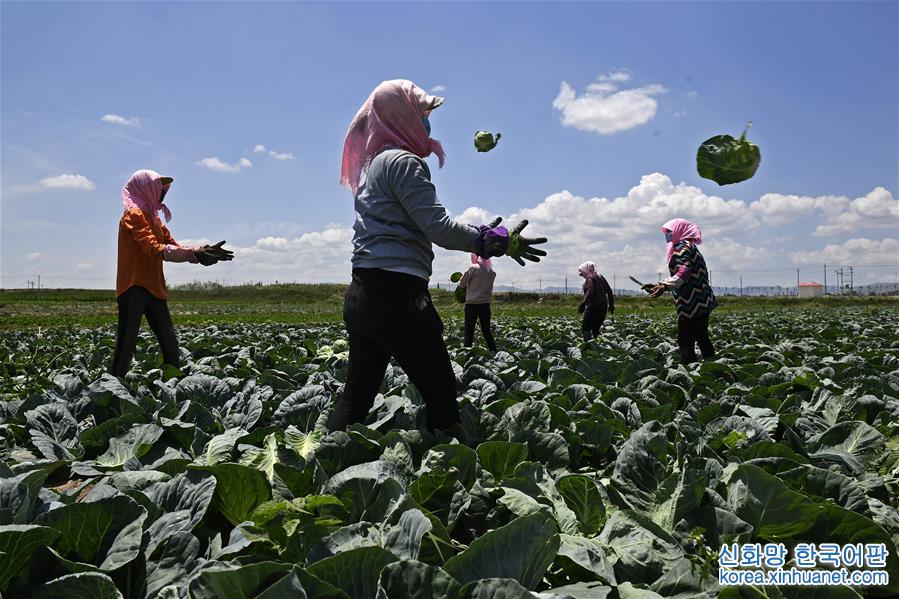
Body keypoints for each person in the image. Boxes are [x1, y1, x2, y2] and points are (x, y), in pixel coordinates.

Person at [328, 79, 547, 434]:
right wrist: (490, 242)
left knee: (356, 397)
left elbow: (416, 222)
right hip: (398, 296)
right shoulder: (403, 162)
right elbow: (439, 228)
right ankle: (454, 478)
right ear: (402, 117)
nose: (428, 121)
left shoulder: (375, 166)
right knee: (441, 394)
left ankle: (325, 466)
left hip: (362, 296)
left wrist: (482, 235)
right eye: (422, 113)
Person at [110, 170, 233, 378]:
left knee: (170, 344)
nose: (162, 193)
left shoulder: (155, 219)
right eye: (159, 188)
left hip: (154, 287)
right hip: (133, 287)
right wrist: (194, 253)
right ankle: (110, 395)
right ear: (144, 188)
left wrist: (202, 253)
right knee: (126, 346)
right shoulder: (133, 215)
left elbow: (174, 246)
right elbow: (153, 248)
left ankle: (173, 390)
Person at [649, 218, 717, 364]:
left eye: (669, 232)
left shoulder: (681, 247)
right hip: (703, 299)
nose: (666, 235)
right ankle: (713, 369)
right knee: (702, 336)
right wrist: (663, 284)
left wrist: (665, 286)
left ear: (679, 231)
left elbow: (684, 271)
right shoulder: (690, 246)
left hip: (691, 303)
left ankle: (691, 370)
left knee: (684, 340)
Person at [460, 253, 498, 352]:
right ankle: (494, 352)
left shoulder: (473, 268)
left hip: (472, 305)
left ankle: (466, 355)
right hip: (485, 305)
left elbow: (462, 284)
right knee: (486, 332)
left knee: (469, 333)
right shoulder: (492, 272)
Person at [577, 261, 614, 341]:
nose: (582, 276)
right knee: (595, 331)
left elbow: (590, 290)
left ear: (586, 270)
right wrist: (611, 305)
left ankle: (588, 349)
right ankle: (599, 349)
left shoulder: (590, 278)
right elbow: (609, 291)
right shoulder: (601, 277)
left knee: (585, 329)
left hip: (593, 307)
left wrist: (583, 304)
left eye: (582, 273)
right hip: (603, 308)